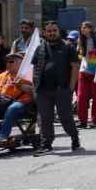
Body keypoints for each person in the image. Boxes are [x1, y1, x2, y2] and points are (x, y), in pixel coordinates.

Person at [31, 21, 82, 154]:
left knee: (65, 118)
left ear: (58, 31)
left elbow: (75, 67)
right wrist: (34, 87)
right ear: (44, 32)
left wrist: (71, 88)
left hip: (62, 89)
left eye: (54, 30)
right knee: (45, 118)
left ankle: (74, 138)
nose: (52, 33)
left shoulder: (68, 47)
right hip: (43, 90)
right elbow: (35, 68)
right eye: (49, 31)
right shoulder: (40, 48)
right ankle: (46, 144)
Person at [75, 21, 96, 129]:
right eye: (82, 27)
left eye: (85, 27)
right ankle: (82, 121)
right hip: (83, 71)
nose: (83, 29)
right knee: (81, 97)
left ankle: (94, 120)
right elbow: (80, 56)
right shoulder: (80, 40)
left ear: (91, 28)